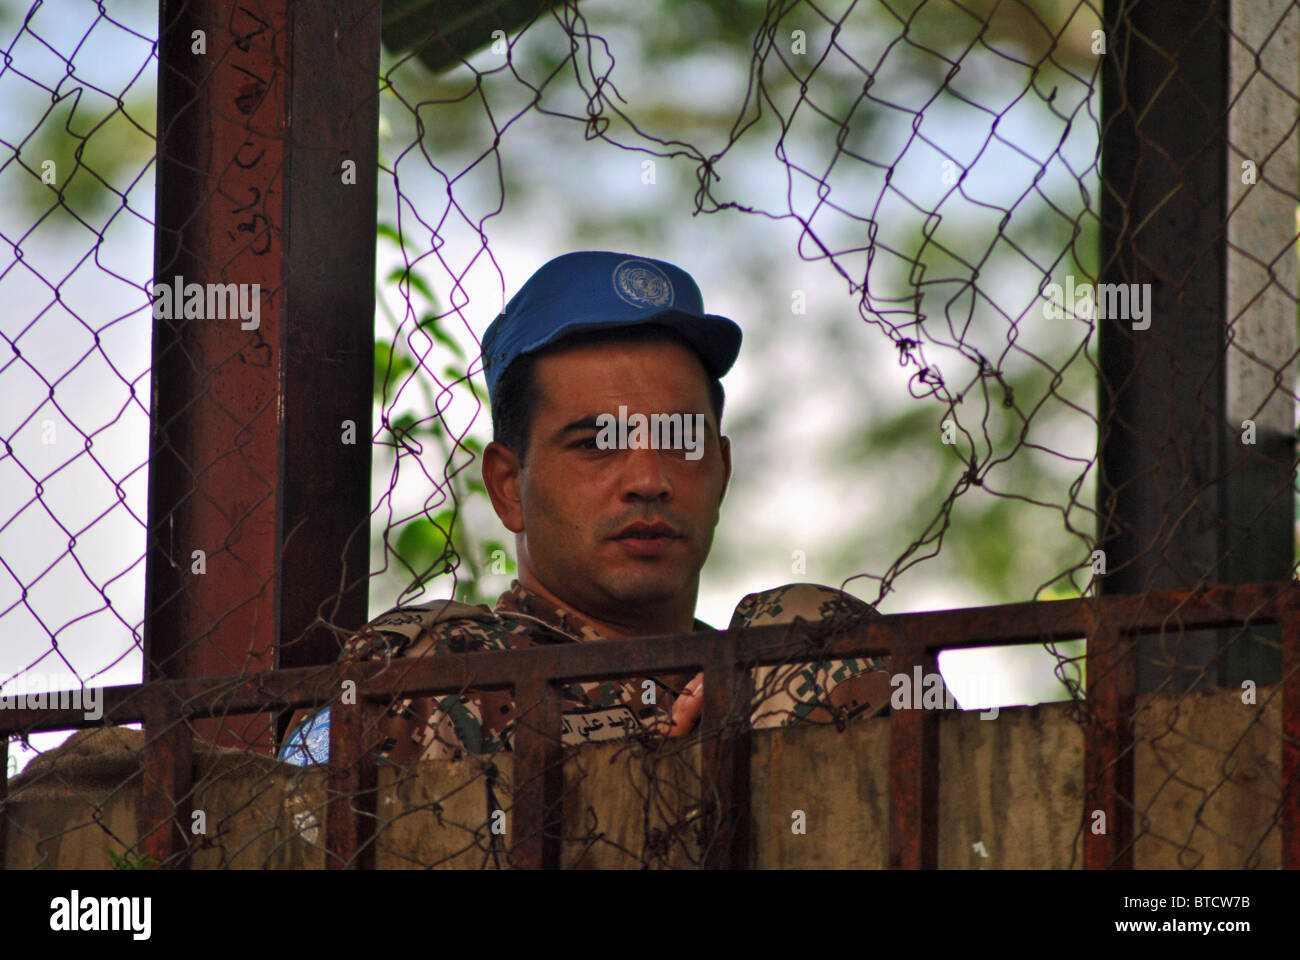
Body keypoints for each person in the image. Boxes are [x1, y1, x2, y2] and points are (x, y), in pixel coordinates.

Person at [280, 251, 891, 766]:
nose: (650, 479)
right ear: (507, 487)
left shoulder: (796, 665)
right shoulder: (439, 679)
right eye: (599, 443)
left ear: (722, 472)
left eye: (683, 441)